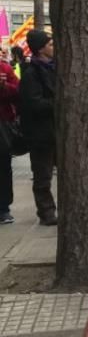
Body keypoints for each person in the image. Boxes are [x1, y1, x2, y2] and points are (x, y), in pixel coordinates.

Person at [19, 30, 57, 225]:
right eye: (50, 45)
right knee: (43, 176)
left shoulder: (54, 68)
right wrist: (57, 102)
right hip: (41, 135)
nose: (54, 48)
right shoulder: (31, 73)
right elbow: (33, 104)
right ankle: (46, 212)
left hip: (57, 132)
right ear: (41, 49)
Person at [0, 54, 20, 224]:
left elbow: (18, 92)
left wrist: (3, 86)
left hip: (2, 124)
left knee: (3, 167)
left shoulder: (4, 68)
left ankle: (3, 208)